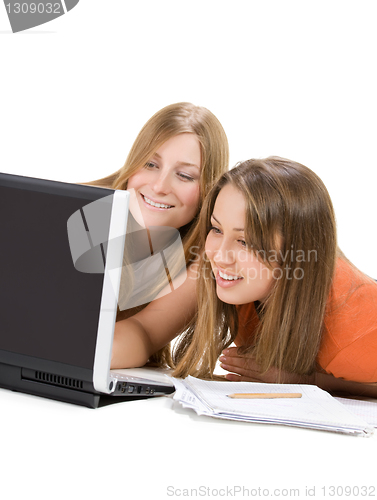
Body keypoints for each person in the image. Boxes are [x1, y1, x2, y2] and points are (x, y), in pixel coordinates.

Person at [171, 157, 377, 396]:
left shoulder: (355, 327)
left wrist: (307, 380)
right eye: (216, 229)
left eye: (245, 241)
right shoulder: (243, 289)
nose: (220, 256)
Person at [91, 102, 229, 369]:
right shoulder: (77, 214)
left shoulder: (204, 259)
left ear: (209, 190)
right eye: (150, 164)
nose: (159, 186)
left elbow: (144, 333)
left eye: (185, 176)